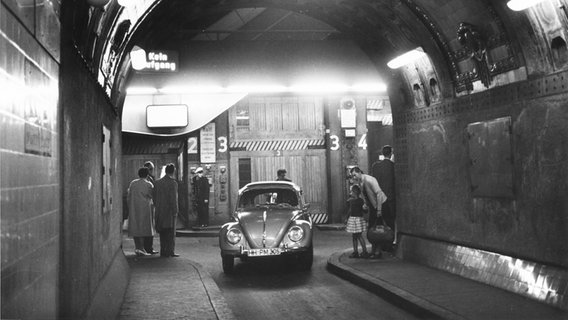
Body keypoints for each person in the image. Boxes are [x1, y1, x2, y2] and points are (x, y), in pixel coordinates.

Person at [350, 166, 387, 259]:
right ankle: (374, 250)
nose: (353, 177)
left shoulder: (370, 179)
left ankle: (378, 252)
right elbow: (366, 196)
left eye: (354, 175)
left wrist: (379, 209)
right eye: (352, 176)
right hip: (373, 206)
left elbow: (379, 194)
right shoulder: (361, 183)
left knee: (378, 229)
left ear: (359, 173)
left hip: (381, 205)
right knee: (372, 229)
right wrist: (365, 204)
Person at [371, 145, 396, 252]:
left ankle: (380, 245)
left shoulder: (375, 166)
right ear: (390, 154)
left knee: (380, 223)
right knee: (390, 223)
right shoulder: (393, 166)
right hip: (390, 199)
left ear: (382, 153)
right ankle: (389, 245)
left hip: (378, 199)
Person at [127, 167, 155, 256]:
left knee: (136, 226)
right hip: (145, 208)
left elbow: (129, 194)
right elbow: (151, 195)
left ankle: (137, 247)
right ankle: (142, 248)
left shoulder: (133, 183)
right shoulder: (148, 184)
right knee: (144, 228)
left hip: (134, 207)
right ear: (147, 175)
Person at [153, 163, 180, 257]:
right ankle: (170, 251)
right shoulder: (173, 183)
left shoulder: (157, 183)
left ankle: (163, 251)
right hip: (169, 212)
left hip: (160, 210)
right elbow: (173, 199)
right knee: (171, 233)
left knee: (162, 232)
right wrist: (175, 210)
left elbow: (154, 197)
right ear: (173, 171)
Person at [344, 184, 369, 258]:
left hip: (355, 219)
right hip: (357, 219)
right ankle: (359, 251)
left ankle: (361, 252)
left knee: (356, 236)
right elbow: (365, 211)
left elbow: (350, 211)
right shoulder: (360, 201)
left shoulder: (353, 201)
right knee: (357, 236)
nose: (350, 193)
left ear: (354, 192)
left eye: (351, 191)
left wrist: (346, 218)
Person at [142, 161, 158, 254]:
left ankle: (148, 247)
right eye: (151, 169)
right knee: (149, 226)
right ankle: (148, 247)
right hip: (148, 206)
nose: (152, 170)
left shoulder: (150, 179)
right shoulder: (148, 180)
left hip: (148, 206)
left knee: (149, 226)